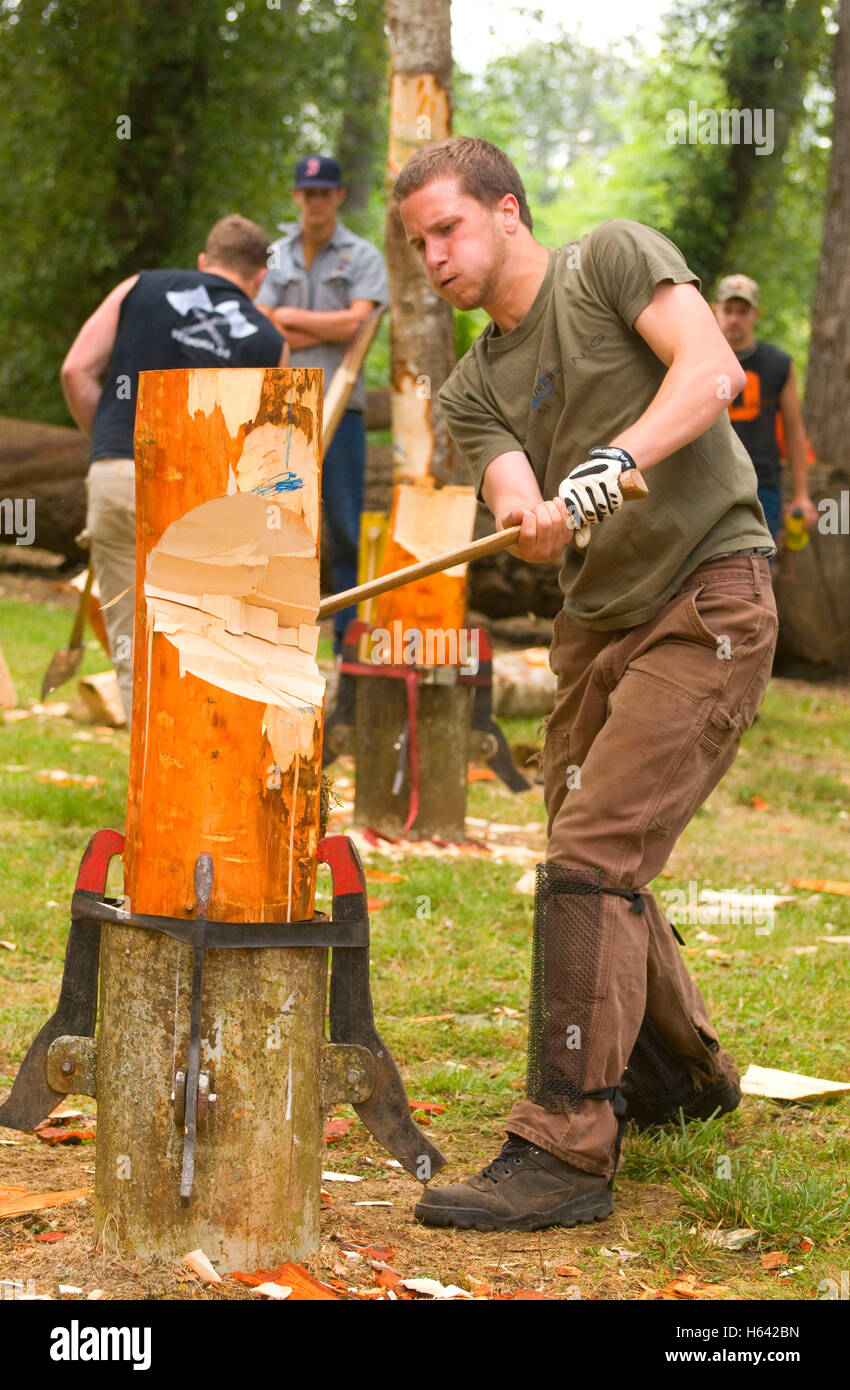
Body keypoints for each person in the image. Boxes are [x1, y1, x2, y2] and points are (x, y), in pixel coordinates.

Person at [393, 136, 778, 1233]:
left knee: (591, 854)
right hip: (592, 626)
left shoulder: (608, 261)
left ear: (506, 211)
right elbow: (523, 505)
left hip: (708, 594)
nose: (434, 256)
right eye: (419, 242)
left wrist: (614, 461)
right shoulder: (471, 386)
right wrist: (530, 514)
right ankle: (681, 1076)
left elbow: (713, 372)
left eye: (449, 228)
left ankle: (564, 1146)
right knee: (591, 857)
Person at [60, 215, 287, 721]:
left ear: (205, 261)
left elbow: (75, 371)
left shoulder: (138, 287)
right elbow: (269, 448)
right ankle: (195, 777)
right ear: (259, 277)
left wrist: (110, 442)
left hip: (119, 472)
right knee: (205, 644)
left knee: (133, 645)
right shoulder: (269, 340)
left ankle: (144, 790)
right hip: (206, 496)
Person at [256, 155, 388, 654]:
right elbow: (262, 322)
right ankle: (281, 635)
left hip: (342, 409)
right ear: (297, 197)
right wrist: (323, 322)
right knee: (280, 519)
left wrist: (287, 317)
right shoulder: (275, 253)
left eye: (323, 193)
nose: (314, 202)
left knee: (344, 526)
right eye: (306, 193)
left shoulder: (361, 256)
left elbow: (358, 324)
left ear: (338, 196)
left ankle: (348, 638)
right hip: (282, 407)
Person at [713, 274, 818, 542]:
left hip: (761, 483)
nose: (734, 318)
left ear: (755, 315)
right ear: (715, 310)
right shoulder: (699, 360)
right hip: (708, 481)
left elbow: (794, 432)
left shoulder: (778, 364)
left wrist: (802, 495)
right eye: (728, 310)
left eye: (742, 311)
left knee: (759, 569)